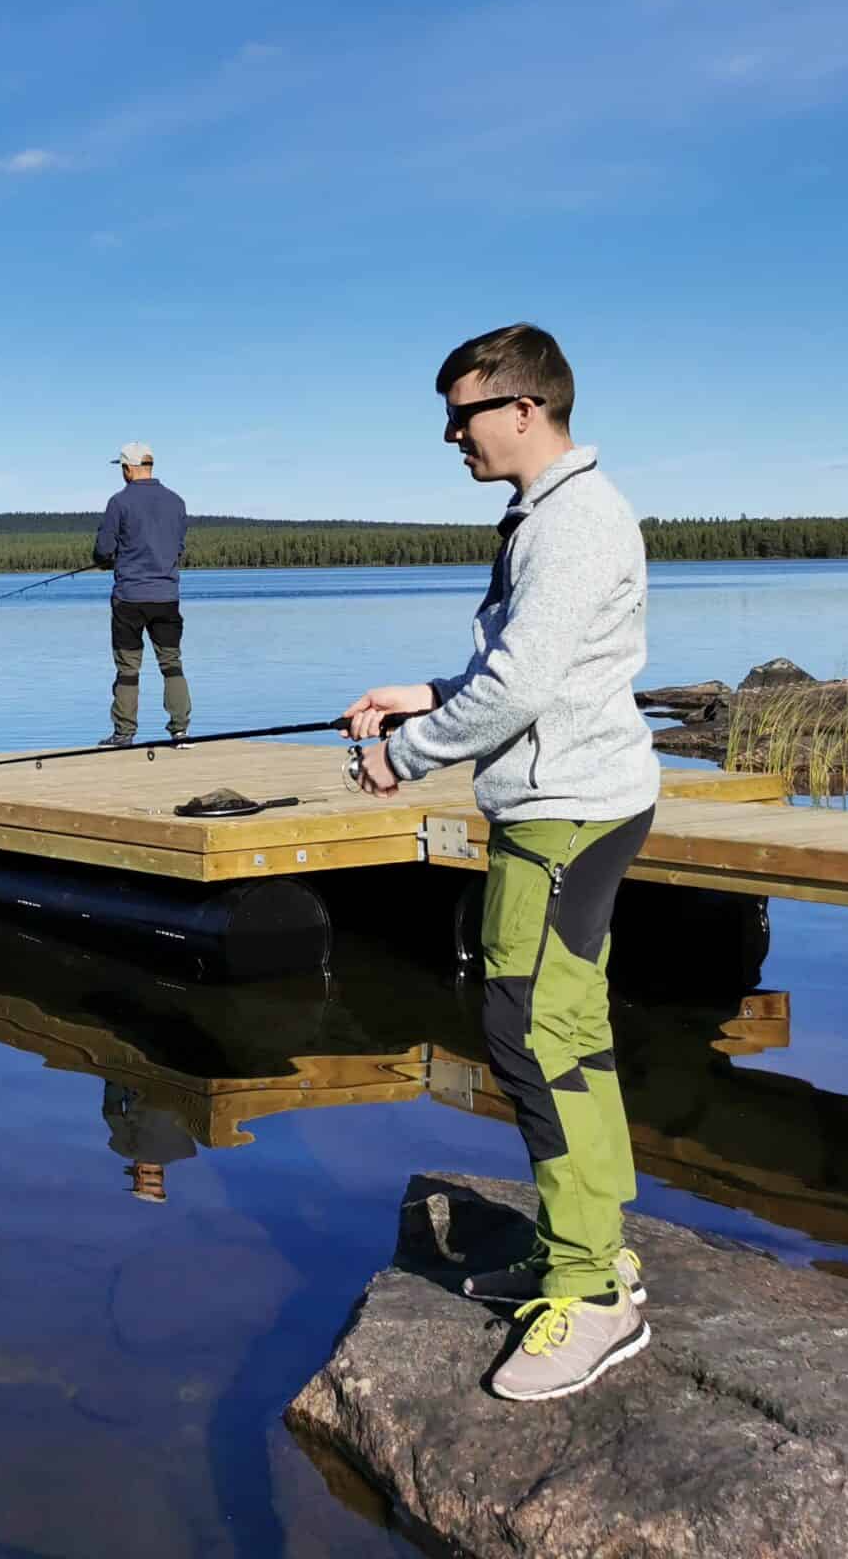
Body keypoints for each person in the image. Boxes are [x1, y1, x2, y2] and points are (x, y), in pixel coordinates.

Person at [340, 323, 659, 1404]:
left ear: (523, 409)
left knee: (528, 1029)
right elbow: (530, 667)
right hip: (567, 800)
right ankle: (593, 1247)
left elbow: (520, 691)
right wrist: (425, 692)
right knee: (563, 1021)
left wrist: (402, 757)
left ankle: (593, 1294)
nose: (450, 436)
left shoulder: (570, 523)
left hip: (565, 810)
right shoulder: (547, 516)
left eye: (461, 415)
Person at [91, 443, 190, 748]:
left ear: (129, 468)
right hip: (166, 596)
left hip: (130, 598)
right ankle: (180, 731)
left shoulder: (119, 503)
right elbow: (178, 547)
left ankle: (124, 733)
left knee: (127, 667)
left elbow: (103, 552)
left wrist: (109, 560)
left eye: (121, 468)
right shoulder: (177, 502)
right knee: (171, 663)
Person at [100, 1080, 198, 1204]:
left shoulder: (187, 1150)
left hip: (184, 1085)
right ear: (139, 1173)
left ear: (163, 1176)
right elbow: (112, 1111)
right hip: (142, 1082)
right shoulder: (125, 1149)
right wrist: (113, 1078)